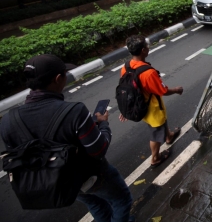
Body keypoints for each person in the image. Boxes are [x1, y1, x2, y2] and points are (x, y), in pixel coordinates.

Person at [0, 54, 133, 222]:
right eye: (65, 74)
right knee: (121, 200)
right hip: (91, 176)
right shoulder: (74, 112)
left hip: (62, 181)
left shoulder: (9, 120)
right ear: (57, 78)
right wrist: (103, 124)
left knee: (95, 205)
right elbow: (99, 150)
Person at [119, 35, 183, 168]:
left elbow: (126, 90)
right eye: (147, 46)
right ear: (143, 50)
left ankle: (169, 136)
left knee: (161, 123)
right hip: (152, 108)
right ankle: (155, 158)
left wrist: (125, 108)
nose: (148, 48)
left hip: (138, 106)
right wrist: (176, 89)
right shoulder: (148, 73)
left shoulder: (125, 67)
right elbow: (163, 91)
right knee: (156, 132)